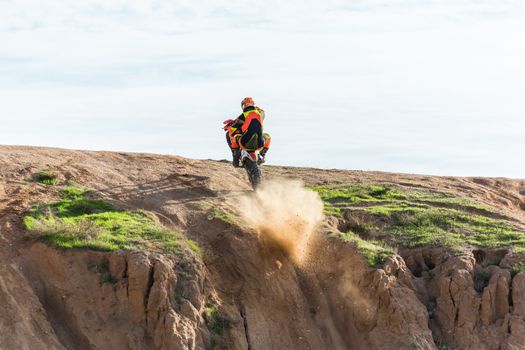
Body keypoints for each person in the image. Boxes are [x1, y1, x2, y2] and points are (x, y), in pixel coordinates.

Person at [224, 97, 271, 167]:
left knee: (233, 135)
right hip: (260, 143)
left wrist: (228, 126)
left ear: (244, 106)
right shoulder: (261, 113)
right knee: (268, 136)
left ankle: (235, 158)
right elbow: (260, 114)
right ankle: (262, 155)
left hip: (245, 142)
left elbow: (234, 127)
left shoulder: (243, 116)